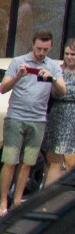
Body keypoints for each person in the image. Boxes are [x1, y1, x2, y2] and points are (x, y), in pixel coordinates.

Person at [0, 30, 68, 214]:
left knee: (27, 163)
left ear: (51, 46)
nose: (41, 52)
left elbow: (63, 91)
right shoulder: (18, 61)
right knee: (10, 160)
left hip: (38, 119)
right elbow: (3, 88)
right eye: (38, 48)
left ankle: (17, 203)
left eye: (45, 49)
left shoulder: (53, 65)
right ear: (32, 44)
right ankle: (3, 201)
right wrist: (18, 76)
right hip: (16, 117)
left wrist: (51, 78)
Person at [42, 39, 75, 185]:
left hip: (72, 116)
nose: (69, 57)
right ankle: (47, 200)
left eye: (73, 54)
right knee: (53, 161)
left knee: (71, 162)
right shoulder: (57, 70)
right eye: (67, 53)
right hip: (56, 114)